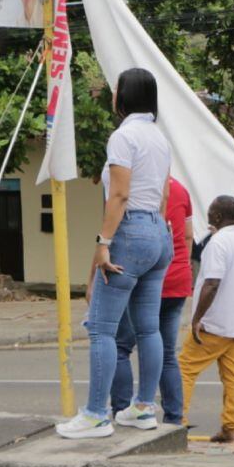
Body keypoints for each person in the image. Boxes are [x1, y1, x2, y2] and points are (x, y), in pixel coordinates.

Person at [56, 67, 173, 439]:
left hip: (130, 229)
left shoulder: (123, 136)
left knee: (101, 329)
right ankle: (143, 408)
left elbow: (119, 195)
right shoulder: (160, 138)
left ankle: (95, 415)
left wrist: (103, 242)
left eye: (115, 88)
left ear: (124, 95)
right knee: (149, 328)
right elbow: (164, 194)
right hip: (158, 230)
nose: (111, 94)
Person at [110, 177, 193, 426]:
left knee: (121, 347)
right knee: (167, 353)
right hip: (176, 277)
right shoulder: (181, 190)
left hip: (143, 278)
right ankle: (174, 419)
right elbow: (188, 236)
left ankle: (122, 410)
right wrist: (181, 265)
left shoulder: (135, 187)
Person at [179, 195, 234, 443]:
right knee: (231, 374)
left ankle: (177, 421)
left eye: (211, 211)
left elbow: (212, 283)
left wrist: (196, 319)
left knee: (184, 369)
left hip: (214, 323)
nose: (208, 214)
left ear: (219, 216)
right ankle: (231, 427)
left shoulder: (218, 243)